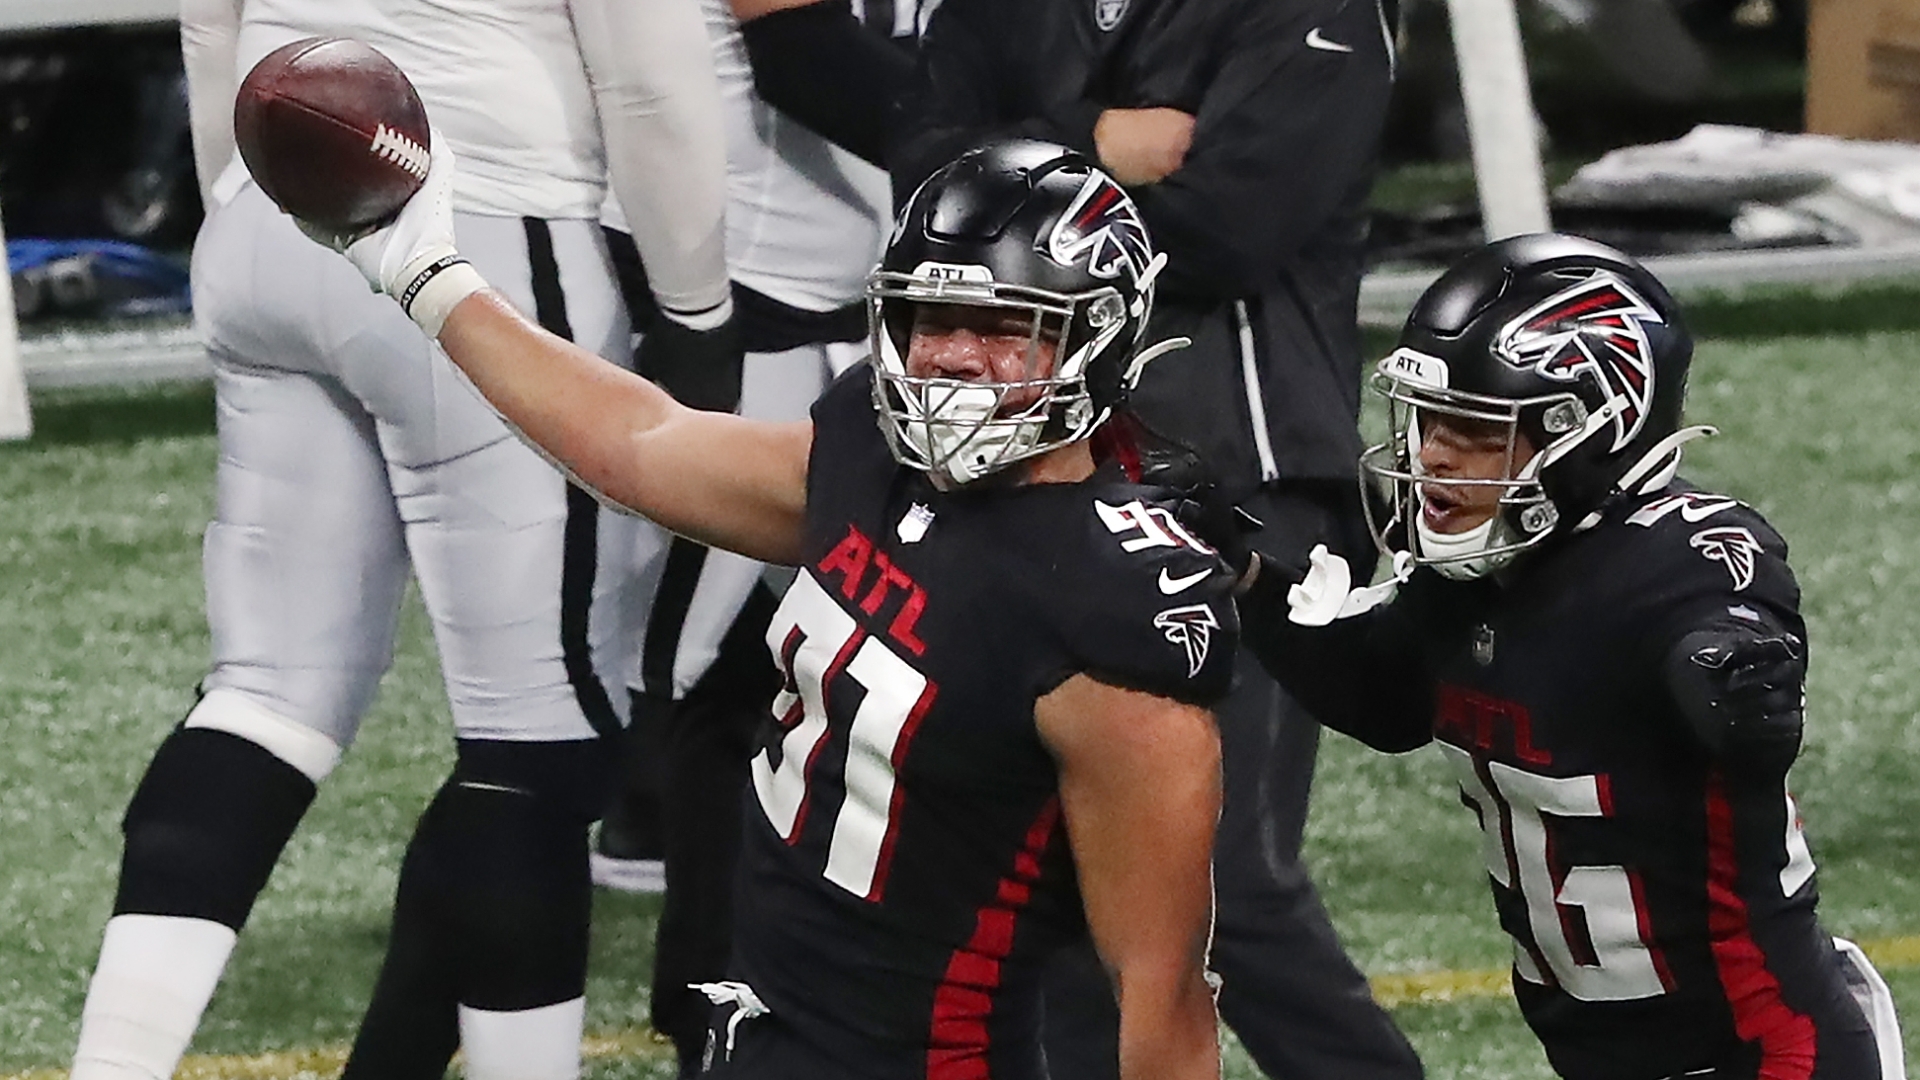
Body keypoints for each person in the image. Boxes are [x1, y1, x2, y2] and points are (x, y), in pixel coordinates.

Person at [306, 136, 1237, 1080]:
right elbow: (644, 442)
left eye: (1003, 327)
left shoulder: (1110, 612)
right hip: (764, 1031)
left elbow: (1161, 993)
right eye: (930, 318)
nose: (953, 358)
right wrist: (425, 275)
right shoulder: (867, 456)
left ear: (1100, 335)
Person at [728, 0, 1424, 1075]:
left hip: (1243, 486)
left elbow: (1234, 220)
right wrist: (1101, 144)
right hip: (1025, 484)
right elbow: (923, 155)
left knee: (1223, 886)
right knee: (1039, 900)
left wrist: (1023, 165)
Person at [68, 2, 730, 1079]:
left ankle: (114, 1065)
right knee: (539, 743)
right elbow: (649, 75)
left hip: (269, 209)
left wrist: (239, 202)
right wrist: (701, 312)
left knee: (265, 694)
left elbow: (208, 26)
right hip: (481, 222)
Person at [1228, 233, 1900, 1080]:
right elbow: (1384, 698)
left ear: (1590, 433)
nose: (1432, 453)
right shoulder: (1473, 573)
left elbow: (1737, 635)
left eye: (1473, 428)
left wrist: (1734, 672)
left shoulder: (1674, 559)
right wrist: (1246, 575)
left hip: (1759, 1051)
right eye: (1430, 421)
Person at [589, 0, 899, 1072]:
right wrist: (1046, 145)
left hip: (790, 312)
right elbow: (802, 53)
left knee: (763, 686)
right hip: (735, 316)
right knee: (660, 700)